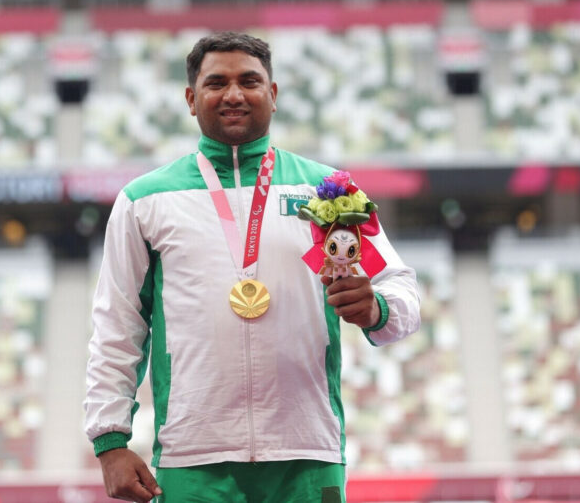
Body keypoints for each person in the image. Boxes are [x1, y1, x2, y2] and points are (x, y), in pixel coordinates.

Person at [84, 31, 421, 503]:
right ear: (191, 98)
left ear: (273, 94)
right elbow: (117, 325)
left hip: (306, 451)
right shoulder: (146, 200)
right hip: (192, 456)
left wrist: (377, 309)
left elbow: (400, 290)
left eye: (250, 81)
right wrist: (110, 441)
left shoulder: (328, 191)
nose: (234, 94)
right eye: (216, 83)